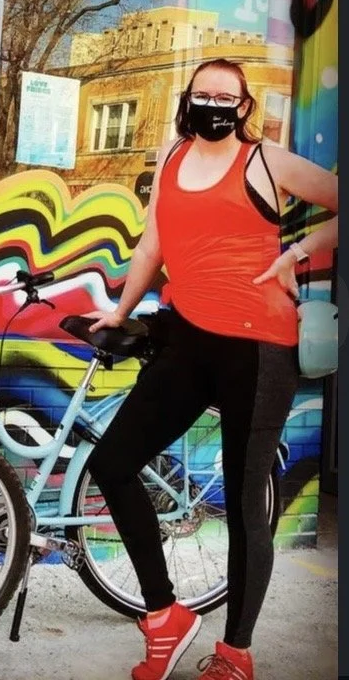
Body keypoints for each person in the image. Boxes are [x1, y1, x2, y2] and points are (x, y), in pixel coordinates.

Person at [85, 58, 337, 680]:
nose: (215, 105)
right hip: (190, 338)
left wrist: (298, 251)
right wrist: (119, 311)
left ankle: (235, 654)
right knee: (113, 464)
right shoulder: (171, 157)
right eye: (205, 94)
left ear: (244, 107)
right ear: (188, 98)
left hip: (259, 348)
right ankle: (164, 614)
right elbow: (153, 244)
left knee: (246, 504)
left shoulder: (266, 161)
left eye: (227, 98)